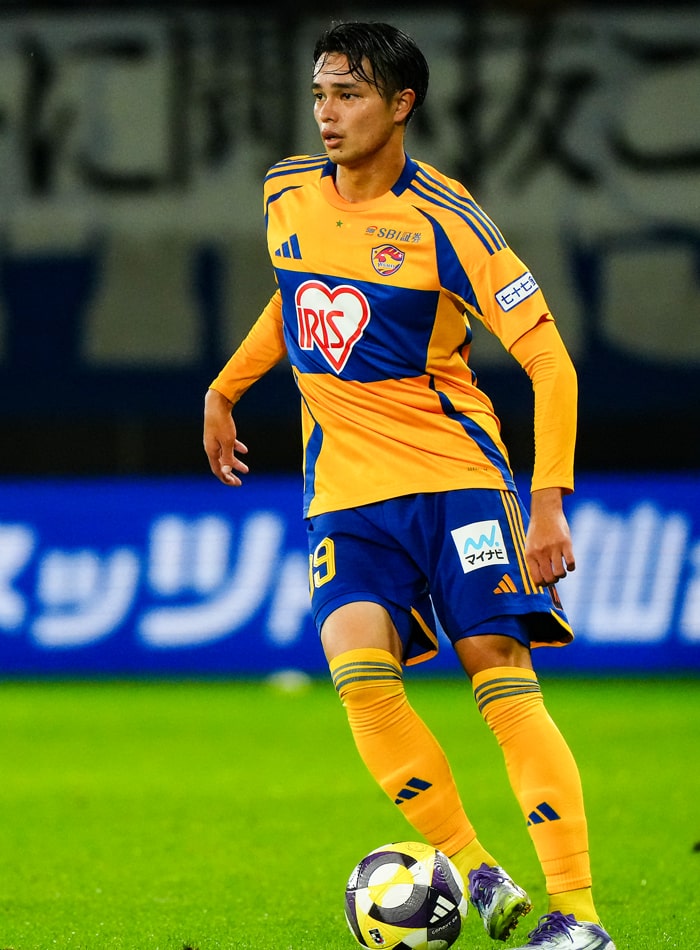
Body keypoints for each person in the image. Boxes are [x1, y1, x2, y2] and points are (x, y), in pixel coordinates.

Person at [203, 20, 615, 950]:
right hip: (344, 494)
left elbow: (550, 362)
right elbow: (297, 295)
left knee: (501, 680)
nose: (328, 113)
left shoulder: (449, 221)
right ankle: (476, 869)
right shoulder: (285, 192)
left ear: (401, 105)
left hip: (453, 480)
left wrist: (548, 502)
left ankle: (580, 916)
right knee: (359, 676)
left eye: (349, 95)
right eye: (320, 94)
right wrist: (227, 387)